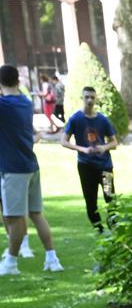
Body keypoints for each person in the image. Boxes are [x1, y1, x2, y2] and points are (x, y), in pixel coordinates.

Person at [0, 64, 63, 275]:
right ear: (18, 81)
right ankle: (52, 259)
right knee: (36, 214)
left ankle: (10, 263)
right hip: (31, 165)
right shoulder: (26, 103)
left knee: (15, 218)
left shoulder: (3, 105)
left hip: (13, 169)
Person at [62, 85, 118, 232]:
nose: (89, 100)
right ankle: (98, 228)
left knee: (110, 197)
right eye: (87, 97)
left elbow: (114, 142)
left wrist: (103, 148)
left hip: (105, 165)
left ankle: (114, 226)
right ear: (82, 98)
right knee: (90, 199)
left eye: (92, 97)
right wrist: (83, 149)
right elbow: (64, 141)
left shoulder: (103, 120)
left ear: (96, 99)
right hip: (86, 166)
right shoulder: (75, 119)